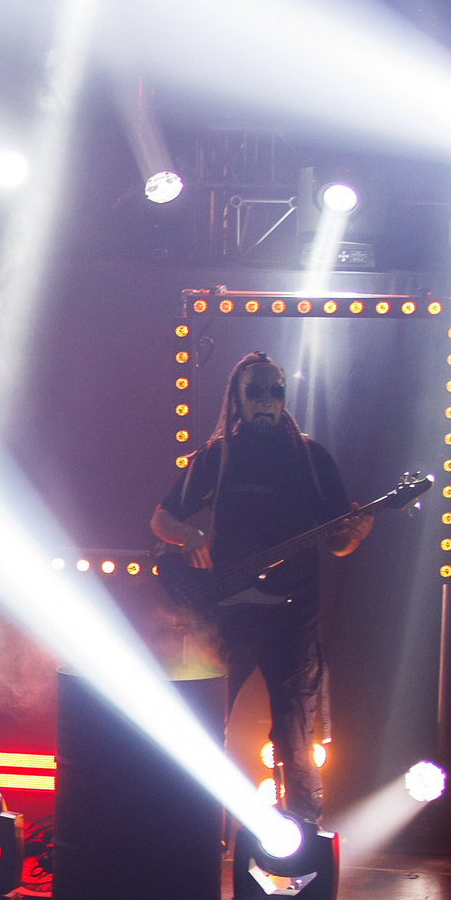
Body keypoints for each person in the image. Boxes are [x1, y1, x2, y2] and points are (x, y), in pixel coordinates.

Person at [151, 351, 368, 822]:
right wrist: (189, 535)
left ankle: (304, 843)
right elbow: (161, 518)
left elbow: (338, 543)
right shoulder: (218, 456)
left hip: (294, 618)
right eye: (256, 391)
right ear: (237, 399)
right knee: (205, 726)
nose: (268, 401)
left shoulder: (310, 458)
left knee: (296, 737)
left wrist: (354, 533)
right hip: (225, 615)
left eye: (277, 391)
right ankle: (194, 833)